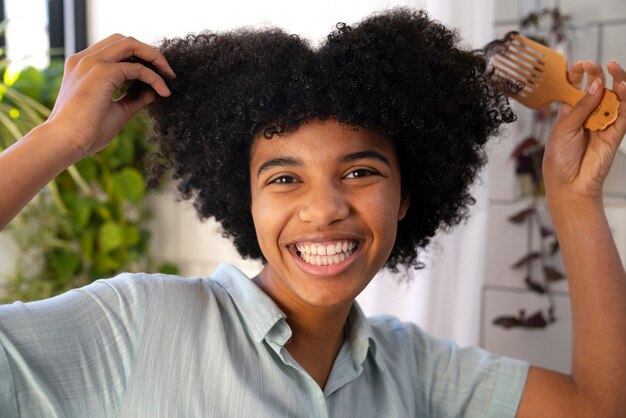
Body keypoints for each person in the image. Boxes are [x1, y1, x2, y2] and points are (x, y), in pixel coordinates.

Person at [0, 8, 625, 418]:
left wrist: (573, 198)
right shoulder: (138, 324)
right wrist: (60, 140)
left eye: (360, 172)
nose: (324, 209)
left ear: (406, 194)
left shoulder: (412, 371)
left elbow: (599, 408)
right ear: (244, 198)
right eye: (284, 178)